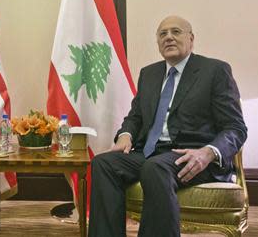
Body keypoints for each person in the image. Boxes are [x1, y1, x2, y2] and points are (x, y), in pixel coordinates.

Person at [88, 15, 247, 237]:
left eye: (176, 32)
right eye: (163, 34)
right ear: (158, 43)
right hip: (151, 153)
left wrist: (207, 153)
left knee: (155, 167)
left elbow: (235, 128)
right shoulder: (149, 73)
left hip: (191, 155)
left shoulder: (214, 71)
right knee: (103, 164)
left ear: (191, 39)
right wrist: (125, 135)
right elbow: (136, 116)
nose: (169, 37)